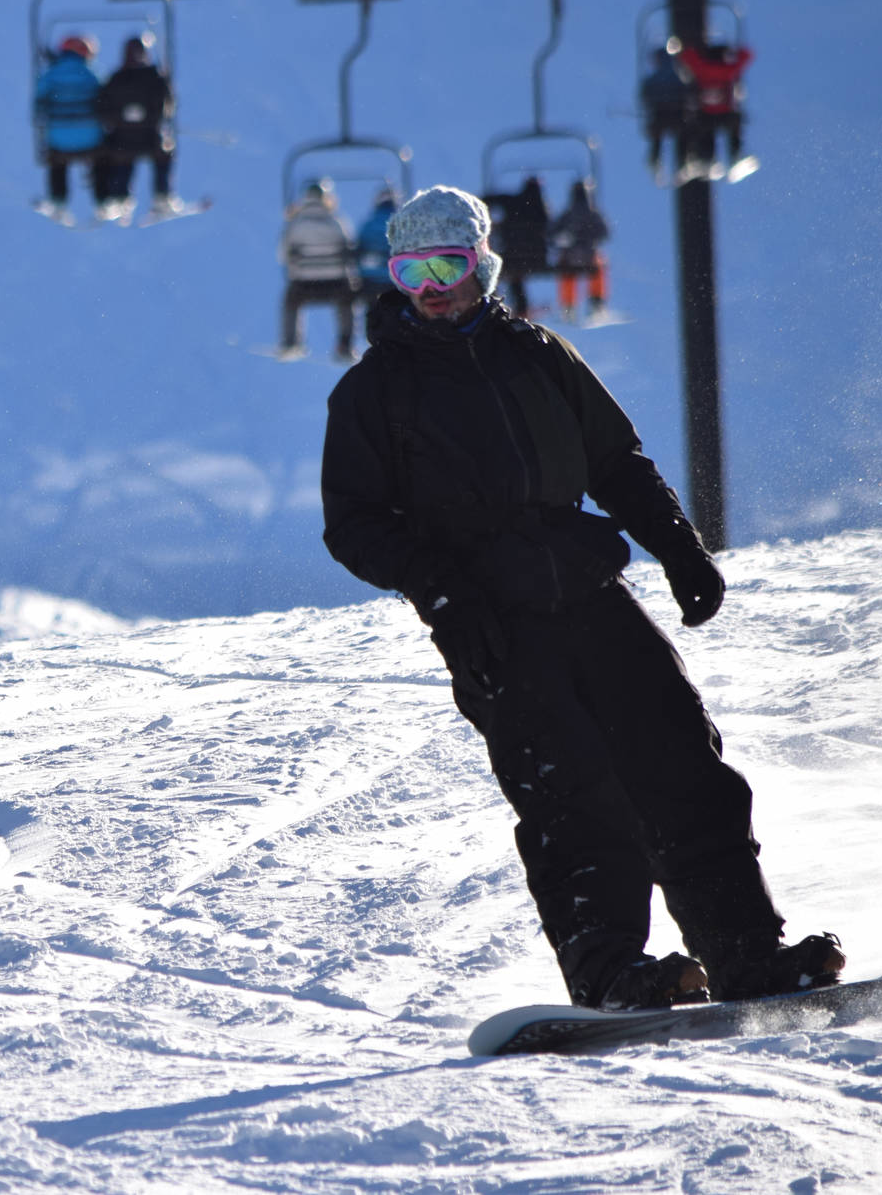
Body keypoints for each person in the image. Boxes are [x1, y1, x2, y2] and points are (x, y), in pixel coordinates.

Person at [321, 185, 846, 1012]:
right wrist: (444, 593)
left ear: (481, 264)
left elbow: (617, 461)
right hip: (492, 620)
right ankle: (610, 973)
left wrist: (678, 548)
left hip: (590, 590)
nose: (429, 284)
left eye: (446, 264)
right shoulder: (373, 392)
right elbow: (352, 523)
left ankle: (746, 955)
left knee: (684, 764)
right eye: (410, 267)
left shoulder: (538, 355)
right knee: (573, 793)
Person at [94, 34, 180, 220]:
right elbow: (167, 108)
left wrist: (122, 119)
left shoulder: (116, 79)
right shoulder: (156, 77)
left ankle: (120, 197)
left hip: (122, 141)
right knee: (164, 153)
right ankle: (162, 195)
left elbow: (102, 109)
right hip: (151, 138)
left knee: (122, 157)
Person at [279, 180, 360, 361]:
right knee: (348, 299)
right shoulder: (336, 221)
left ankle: (290, 342)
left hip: (303, 284)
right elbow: (349, 249)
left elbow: (283, 254)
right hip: (336, 283)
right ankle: (344, 344)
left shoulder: (294, 223)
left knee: (290, 300)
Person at [34, 35, 109, 225]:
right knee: (101, 157)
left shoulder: (50, 74)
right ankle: (102, 200)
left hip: (58, 138)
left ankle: (58, 200)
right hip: (90, 138)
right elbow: (105, 101)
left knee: (57, 160)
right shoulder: (91, 75)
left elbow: (38, 105)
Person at [676, 41, 753, 176]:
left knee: (705, 132)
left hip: (706, 115)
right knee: (734, 127)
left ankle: (706, 158)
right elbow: (747, 55)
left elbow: (686, 55)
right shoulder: (729, 71)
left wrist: (697, 51)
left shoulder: (701, 69)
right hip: (725, 114)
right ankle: (735, 154)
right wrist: (736, 52)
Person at [483, 175, 550, 319]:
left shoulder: (514, 201)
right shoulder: (542, 209)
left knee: (503, 272)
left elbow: (492, 199)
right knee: (517, 276)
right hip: (535, 257)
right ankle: (522, 309)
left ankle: (493, 303)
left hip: (511, 255)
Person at [550, 179, 611, 323]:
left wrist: (567, 238)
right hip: (590, 257)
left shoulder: (567, 214)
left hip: (569, 257)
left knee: (567, 271)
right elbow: (605, 233)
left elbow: (553, 233)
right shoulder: (593, 214)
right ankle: (597, 301)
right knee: (599, 267)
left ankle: (568, 306)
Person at [638, 44, 693, 180]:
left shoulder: (652, 79)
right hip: (677, 117)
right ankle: (682, 161)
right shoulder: (678, 77)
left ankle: (655, 160)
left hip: (659, 117)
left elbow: (645, 96)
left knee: (657, 137)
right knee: (683, 135)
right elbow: (687, 94)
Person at [354, 184, 400, 296]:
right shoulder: (402, 224)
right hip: (395, 278)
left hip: (369, 278)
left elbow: (359, 246)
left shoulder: (368, 225)